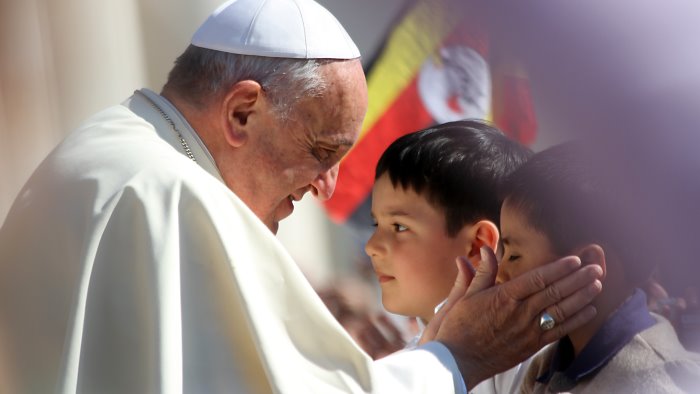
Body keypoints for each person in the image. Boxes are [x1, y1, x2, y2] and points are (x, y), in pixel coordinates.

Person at [0, 0, 603, 392]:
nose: (329, 187)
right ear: (241, 111)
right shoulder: (171, 196)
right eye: (321, 149)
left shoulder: (112, 150)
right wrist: (454, 359)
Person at [495, 142, 700, 393]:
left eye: (514, 256)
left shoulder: (655, 383)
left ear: (588, 265)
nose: (499, 276)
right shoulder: (547, 365)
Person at [365, 120, 535, 394]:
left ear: (478, 245)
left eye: (399, 227)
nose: (371, 246)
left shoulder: (528, 357)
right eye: (376, 225)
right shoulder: (411, 365)